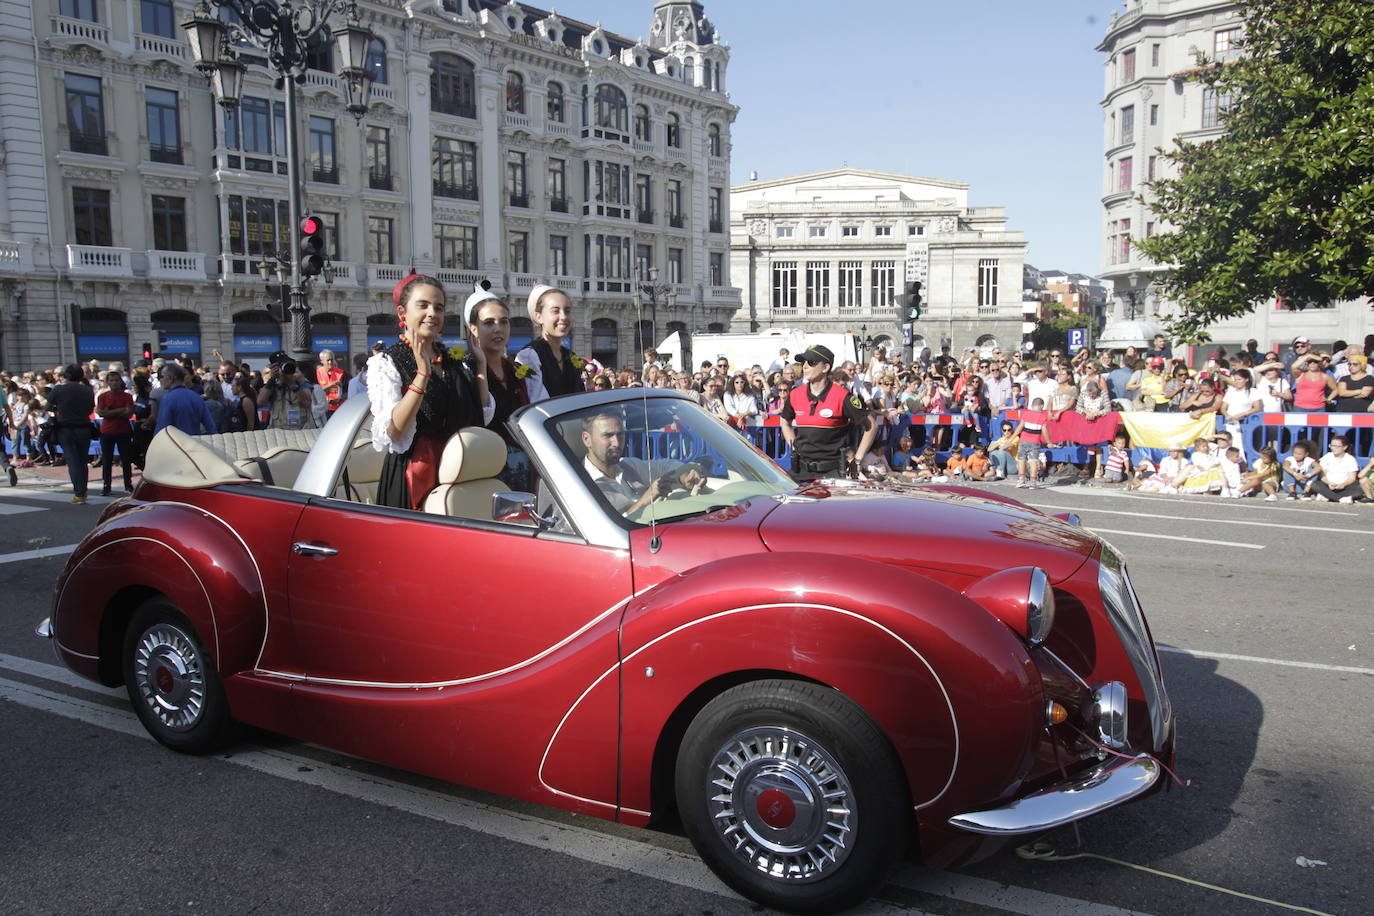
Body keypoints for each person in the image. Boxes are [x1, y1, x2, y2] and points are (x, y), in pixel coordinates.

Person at [368, 273, 494, 511]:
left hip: (456, 472)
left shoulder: (451, 359)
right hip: (413, 475)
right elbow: (394, 431)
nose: (432, 314)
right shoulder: (387, 361)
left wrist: (481, 367)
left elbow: (482, 415)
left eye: (439, 307)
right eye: (423, 305)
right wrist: (422, 375)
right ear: (402, 313)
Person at [464, 281, 531, 491]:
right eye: (489, 323)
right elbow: (478, 421)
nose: (498, 329)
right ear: (473, 329)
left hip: (524, 467)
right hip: (486, 470)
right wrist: (481, 365)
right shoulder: (465, 370)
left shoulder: (515, 369)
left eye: (504, 322)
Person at [779, 344, 878, 482]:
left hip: (834, 472)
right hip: (801, 471)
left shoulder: (843, 396)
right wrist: (795, 446)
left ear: (825, 367)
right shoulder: (795, 394)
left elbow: (871, 425)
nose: (805, 366)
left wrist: (857, 460)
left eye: (811, 362)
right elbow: (785, 421)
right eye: (804, 362)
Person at [580, 410, 704, 516]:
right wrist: (645, 500)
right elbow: (604, 532)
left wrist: (684, 476)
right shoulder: (581, 486)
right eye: (608, 436)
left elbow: (666, 466)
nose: (617, 443)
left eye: (620, 434)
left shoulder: (628, 465)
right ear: (587, 440)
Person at [516, 285, 584, 402]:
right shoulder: (528, 356)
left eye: (567, 311)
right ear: (539, 316)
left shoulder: (571, 356)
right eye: (555, 311)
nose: (563, 317)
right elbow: (537, 404)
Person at [48, 363, 95, 503]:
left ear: (66, 375)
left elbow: (48, 405)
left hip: (66, 427)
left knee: (72, 460)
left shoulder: (59, 389)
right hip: (84, 427)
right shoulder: (88, 390)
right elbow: (90, 409)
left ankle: (78, 492)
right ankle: (83, 491)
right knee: (82, 460)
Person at [95, 372, 135, 495]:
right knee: (107, 460)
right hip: (107, 431)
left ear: (120, 381)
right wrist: (120, 410)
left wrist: (111, 412)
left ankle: (128, 484)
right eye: (111, 380)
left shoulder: (127, 396)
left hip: (124, 431)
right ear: (107, 382)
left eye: (116, 380)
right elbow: (101, 413)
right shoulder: (103, 396)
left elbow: (129, 413)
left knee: (126, 460)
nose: (114, 383)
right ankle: (106, 485)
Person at [154, 363, 215, 436]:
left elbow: (161, 429)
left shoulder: (167, 399)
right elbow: (211, 427)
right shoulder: (196, 397)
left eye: (162, 376)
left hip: (176, 445)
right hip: (195, 443)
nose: (160, 379)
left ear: (171, 378)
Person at [1011, 397, 1050, 489]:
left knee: (1021, 460)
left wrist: (1012, 438)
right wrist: (1049, 442)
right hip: (1035, 441)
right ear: (1041, 406)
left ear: (1032, 405)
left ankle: (1021, 480)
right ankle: (1032, 482)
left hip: (1023, 440)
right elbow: (1044, 430)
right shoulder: (1043, 417)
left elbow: (1019, 427)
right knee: (1033, 461)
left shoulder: (1026, 414)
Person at [1310, 435, 1361, 502]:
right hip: (1329, 485)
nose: (1333, 448)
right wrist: (1329, 483)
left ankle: (1328, 496)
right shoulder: (1327, 457)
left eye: (1337, 446)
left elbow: (1352, 478)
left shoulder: (1350, 459)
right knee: (1315, 484)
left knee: (1359, 489)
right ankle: (1340, 498)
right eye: (1332, 446)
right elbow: (1322, 475)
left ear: (1345, 447)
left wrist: (1343, 485)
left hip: (1345, 486)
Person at [316, 349, 348, 418]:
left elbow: (347, 391)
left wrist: (340, 399)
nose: (330, 362)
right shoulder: (317, 373)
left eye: (332, 360)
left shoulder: (342, 373)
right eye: (328, 360)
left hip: (338, 409)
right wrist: (333, 383)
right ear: (322, 361)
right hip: (322, 409)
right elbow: (317, 391)